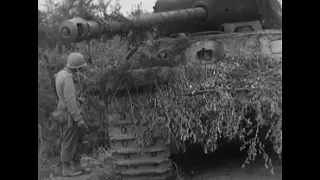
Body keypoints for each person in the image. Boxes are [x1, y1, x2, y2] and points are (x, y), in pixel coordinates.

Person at [55, 52, 91, 177]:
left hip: (63, 111)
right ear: (76, 67)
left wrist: (77, 100)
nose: (80, 70)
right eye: (80, 67)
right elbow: (70, 101)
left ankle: (77, 165)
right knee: (69, 140)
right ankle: (66, 170)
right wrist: (78, 118)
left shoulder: (60, 74)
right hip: (69, 113)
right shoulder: (68, 77)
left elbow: (65, 97)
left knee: (75, 139)